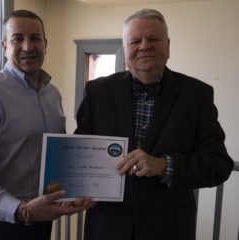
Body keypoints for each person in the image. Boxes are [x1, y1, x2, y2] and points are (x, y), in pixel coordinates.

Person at [75, 8, 234, 240]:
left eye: (153, 39)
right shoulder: (97, 92)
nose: (144, 46)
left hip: (168, 229)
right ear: (125, 48)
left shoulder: (197, 95)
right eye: (135, 41)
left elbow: (219, 164)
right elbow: (81, 151)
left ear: (168, 45)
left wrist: (164, 165)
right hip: (107, 227)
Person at [0, 9, 92, 240]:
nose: (28, 47)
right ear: (5, 46)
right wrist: (20, 211)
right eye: (18, 38)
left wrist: (73, 188)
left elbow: (53, 154)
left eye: (35, 38)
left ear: (45, 44)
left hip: (41, 219)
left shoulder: (52, 94)